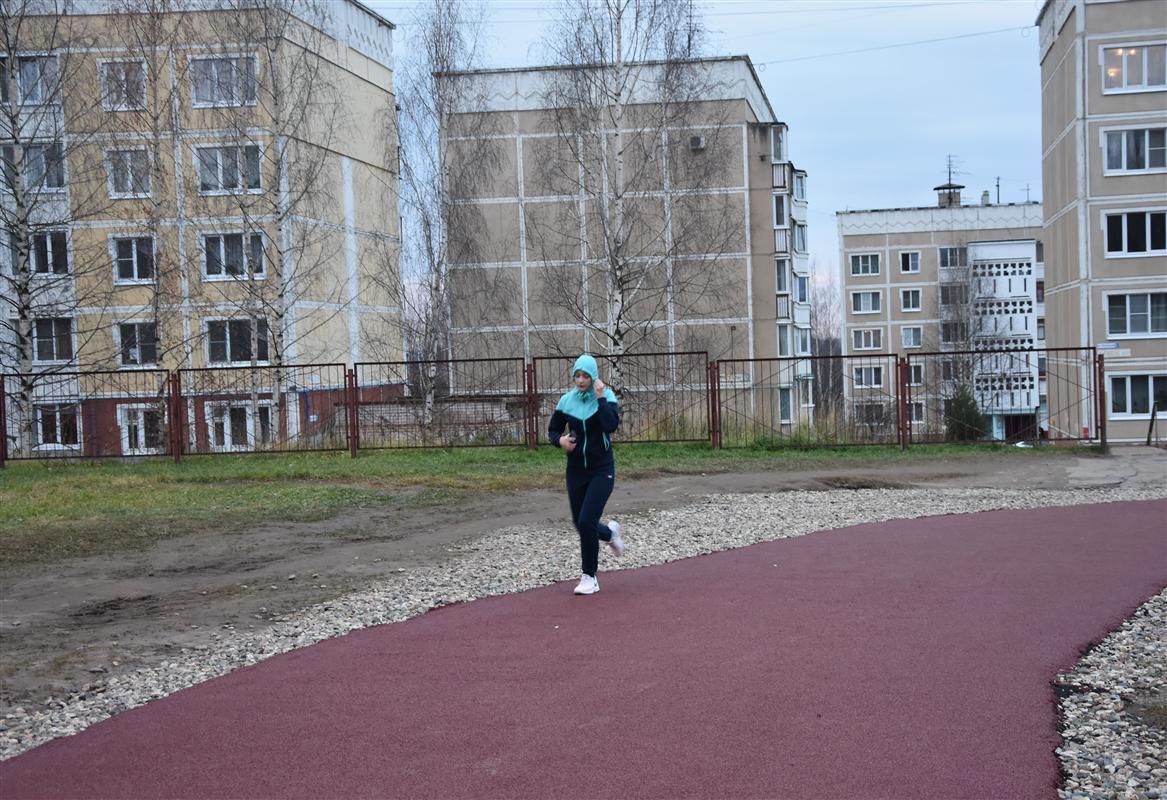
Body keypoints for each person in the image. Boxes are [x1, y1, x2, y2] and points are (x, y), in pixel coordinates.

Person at [548, 354, 625, 595]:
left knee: (586, 521)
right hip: (576, 471)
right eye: (577, 376)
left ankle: (589, 577)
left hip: (602, 469)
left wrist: (600, 398)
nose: (581, 380)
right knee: (580, 523)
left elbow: (610, 425)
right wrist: (560, 441)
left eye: (585, 376)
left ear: (593, 377)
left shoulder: (606, 396)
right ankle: (610, 533)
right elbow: (553, 430)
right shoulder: (566, 401)